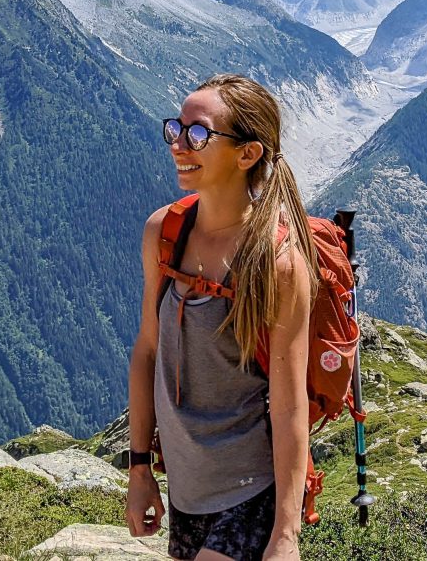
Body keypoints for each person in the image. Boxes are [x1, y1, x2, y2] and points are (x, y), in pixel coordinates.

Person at [126, 74, 317, 561]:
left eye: (198, 134)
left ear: (247, 154)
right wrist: (140, 469)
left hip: (251, 490)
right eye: (176, 128)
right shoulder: (163, 233)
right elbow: (147, 351)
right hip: (186, 491)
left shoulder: (277, 262)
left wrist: (286, 536)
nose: (178, 144)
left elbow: (291, 403)